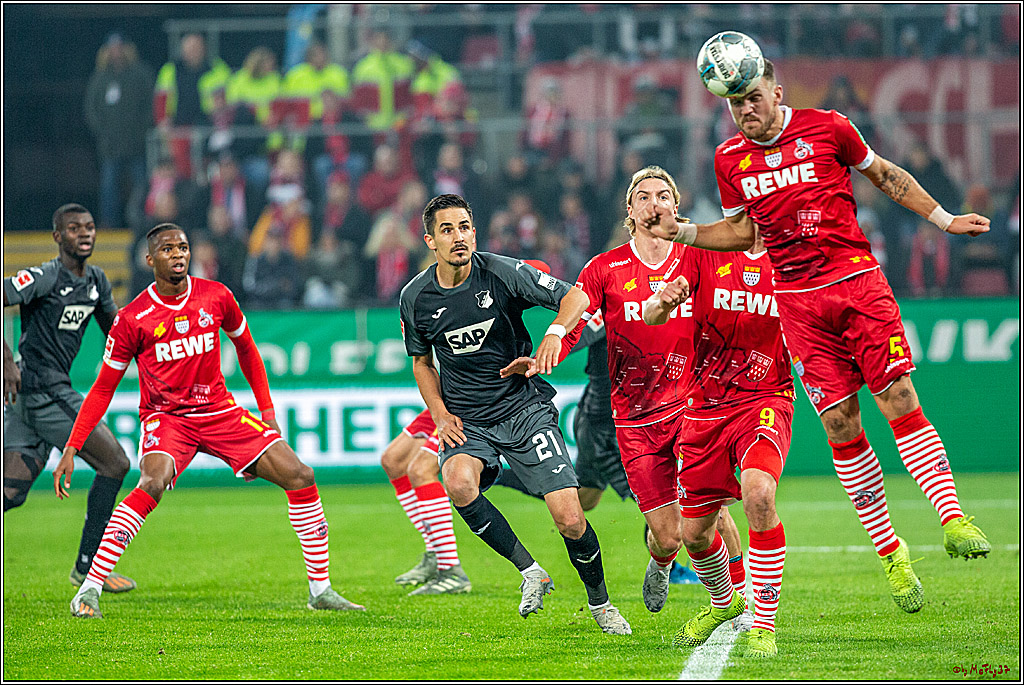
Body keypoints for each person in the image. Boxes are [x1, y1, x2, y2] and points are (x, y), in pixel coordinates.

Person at [644, 59, 991, 615]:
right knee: (839, 424)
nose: (745, 111)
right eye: (735, 104)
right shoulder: (728, 159)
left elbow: (886, 176)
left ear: (777, 91)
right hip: (798, 305)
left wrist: (944, 219)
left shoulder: (829, 127)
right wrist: (682, 230)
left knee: (898, 397)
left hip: (857, 284)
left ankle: (952, 518)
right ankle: (892, 553)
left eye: (753, 98)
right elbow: (741, 232)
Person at [53, 222, 364, 618]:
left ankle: (321, 590)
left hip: (220, 412)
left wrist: (267, 413)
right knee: (152, 482)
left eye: (183, 246)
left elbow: (248, 351)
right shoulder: (133, 318)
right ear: (150, 260)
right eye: (168, 249)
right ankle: (90, 587)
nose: (179, 254)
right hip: (167, 419)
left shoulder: (216, 296)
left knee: (300, 475)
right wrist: (73, 446)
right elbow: (101, 389)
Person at [399, 194, 630, 634]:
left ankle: (601, 605)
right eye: (447, 230)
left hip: (524, 411)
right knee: (457, 482)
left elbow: (578, 296)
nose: (458, 236)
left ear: (474, 230)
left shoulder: (501, 272)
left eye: (464, 226)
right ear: (431, 240)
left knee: (570, 516)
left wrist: (555, 335)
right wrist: (440, 414)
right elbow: (422, 362)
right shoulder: (415, 297)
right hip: (469, 420)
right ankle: (530, 572)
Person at [642, 176, 793, 656]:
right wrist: (662, 303)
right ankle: (724, 601)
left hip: (766, 397)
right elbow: (651, 313)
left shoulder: (791, 264)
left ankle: (762, 624)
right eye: (747, 210)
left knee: (758, 494)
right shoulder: (704, 253)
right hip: (706, 407)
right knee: (693, 533)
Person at [3, 204, 135, 594]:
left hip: (35, 398)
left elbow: (119, 331)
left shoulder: (96, 280)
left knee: (10, 492)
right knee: (115, 463)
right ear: (58, 236)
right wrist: (6, 359)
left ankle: (88, 566)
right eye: (75, 228)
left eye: (91, 227)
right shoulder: (44, 277)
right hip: (44, 390)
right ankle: (90, 567)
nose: (85, 234)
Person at [381, 408, 472, 595]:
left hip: (470, 398)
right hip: (444, 398)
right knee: (394, 461)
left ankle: (450, 569)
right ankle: (436, 555)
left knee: (421, 469)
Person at [84, 33, 153, 229]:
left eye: (120, 47)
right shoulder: (100, 78)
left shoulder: (140, 74)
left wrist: (142, 131)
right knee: (108, 186)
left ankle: (144, 221)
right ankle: (109, 224)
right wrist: (103, 134)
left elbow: (150, 106)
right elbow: (91, 110)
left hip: (136, 144)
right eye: (112, 48)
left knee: (141, 185)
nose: (116, 52)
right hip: (110, 147)